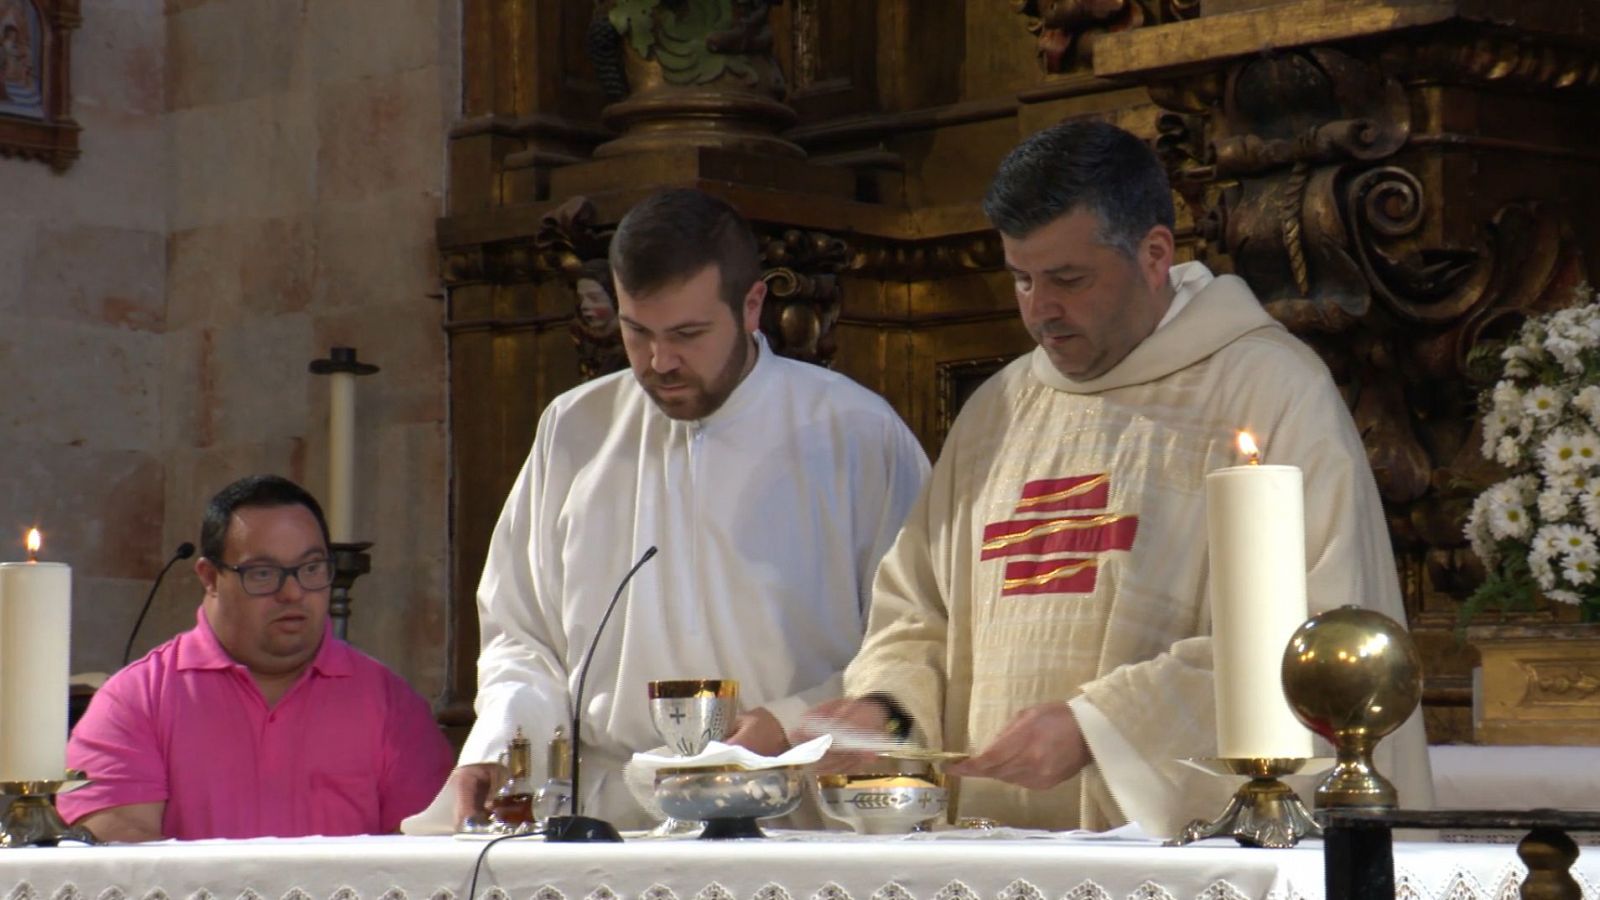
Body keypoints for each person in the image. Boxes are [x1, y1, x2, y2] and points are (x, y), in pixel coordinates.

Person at [806, 120, 1434, 834]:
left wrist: (1099, 729)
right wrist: (884, 706)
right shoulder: (998, 412)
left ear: (1154, 253)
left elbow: (1318, 640)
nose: (1040, 309)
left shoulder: (1269, 390)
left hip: (1177, 849)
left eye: (1069, 280)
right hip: (990, 845)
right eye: (1021, 279)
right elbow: (917, 607)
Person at [432, 188, 929, 831]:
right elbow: (522, 633)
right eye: (637, 332)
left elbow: (915, 635)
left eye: (688, 335)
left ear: (752, 306)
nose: (659, 362)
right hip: (612, 820)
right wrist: (500, 745)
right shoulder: (575, 429)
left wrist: (789, 720)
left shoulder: (853, 433)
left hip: (795, 813)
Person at [60, 475, 454, 842]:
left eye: (312, 568)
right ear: (210, 578)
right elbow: (122, 874)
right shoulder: (136, 701)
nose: (293, 593)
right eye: (264, 573)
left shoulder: (390, 704)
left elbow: (426, 865)